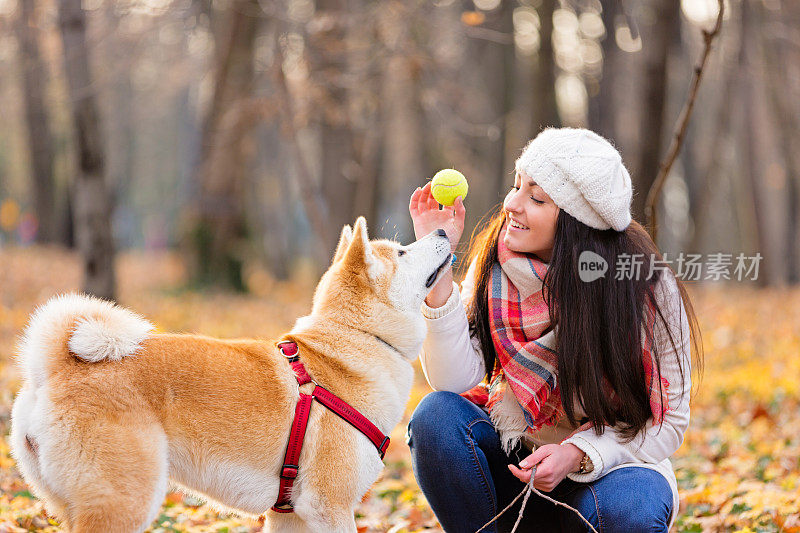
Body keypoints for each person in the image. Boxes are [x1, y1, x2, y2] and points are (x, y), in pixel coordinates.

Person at [406, 127, 703, 533]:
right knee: (435, 417)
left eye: (537, 197)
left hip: (605, 474)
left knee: (632, 509)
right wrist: (437, 265)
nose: (512, 203)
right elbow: (453, 379)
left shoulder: (646, 290)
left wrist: (575, 453)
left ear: (577, 222)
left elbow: (668, 423)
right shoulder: (497, 266)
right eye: (517, 186)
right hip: (515, 466)